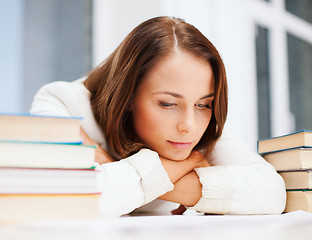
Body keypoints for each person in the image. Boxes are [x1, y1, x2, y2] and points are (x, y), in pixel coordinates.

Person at [30, 16, 286, 217]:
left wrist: (114, 170)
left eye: (204, 104)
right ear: (127, 94)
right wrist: (187, 167)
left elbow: (271, 192)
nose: (188, 126)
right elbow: (74, 197)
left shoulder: (199, 130)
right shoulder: (60, 102)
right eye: (167, 103)